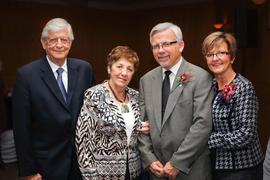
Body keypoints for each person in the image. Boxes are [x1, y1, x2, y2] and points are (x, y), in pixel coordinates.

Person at [12, 18, 95, 180]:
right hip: (45, 165)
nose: (59, 45)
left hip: (82, 163)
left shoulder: (85, 69)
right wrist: (28, 170)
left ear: (70, 43)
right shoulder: (26, 75)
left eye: (64, 40)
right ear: (43, 43)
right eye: (53, 40)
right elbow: (21, 128)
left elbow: (94, 112)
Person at [138, 22, 214, 180]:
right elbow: (142, 125)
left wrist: (177, 162)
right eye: (155, 46)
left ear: (180, 45)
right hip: (157, 171)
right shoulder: (146, 80)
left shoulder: (200, 77)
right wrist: (150, 160)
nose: (160, 50)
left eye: (166, 44)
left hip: (191, 170)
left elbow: (202, 124)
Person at [75, 46, 149, 179]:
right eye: (119, 66)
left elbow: (139, 130)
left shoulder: (136, 96)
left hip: (134, 172)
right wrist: (90, 176)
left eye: (129, 69)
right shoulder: (94, 95)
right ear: (109, 68)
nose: (124, 73)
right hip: (103, 174)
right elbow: (84, 142)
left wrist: (147, 128)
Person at [202, 31, 264, 180]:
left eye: (221, 53)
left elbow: (246, 134)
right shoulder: (209, 86)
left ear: (232, 57)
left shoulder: (244, 87)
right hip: (214, 165)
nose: (215, 59)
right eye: (210, 54)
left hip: (242, 170)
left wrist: (207, 139)